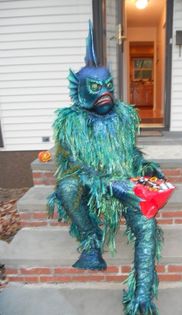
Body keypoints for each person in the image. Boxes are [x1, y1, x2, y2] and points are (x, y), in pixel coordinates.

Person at [48, 21, 166, 315]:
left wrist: (147, 168)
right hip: (94, 185)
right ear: (81, 90)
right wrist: (110, 184)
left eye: (108, 86)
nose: (105, 92)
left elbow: (131, 155)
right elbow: (74, 167)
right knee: (67, 187)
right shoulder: (70, 123)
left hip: (126, 181)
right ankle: (91, 240)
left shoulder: (125, 117)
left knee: (147, 222)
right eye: (95, 87)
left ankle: (141, 296)